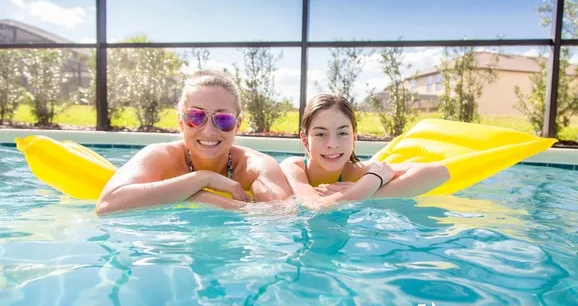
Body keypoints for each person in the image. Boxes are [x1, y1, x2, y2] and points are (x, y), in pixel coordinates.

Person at [96, 70, 292, 214]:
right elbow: (107, 205)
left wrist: (195, 196)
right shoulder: (161, 156)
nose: (208, 130)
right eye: (196, 117)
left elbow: (283, 215)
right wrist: (203, 180)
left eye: (223, 119)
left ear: (238, 124)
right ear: (181, 121)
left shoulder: (256, 166)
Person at [280, 94, 450, 211]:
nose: (332, 144)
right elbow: (315, 206)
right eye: (320, 134)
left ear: (354, 137)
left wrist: (361, 190)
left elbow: (440, 172)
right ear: (304, 140)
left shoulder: (355, 171)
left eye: (342, 133)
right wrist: (370, 183)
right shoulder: (293, 167)